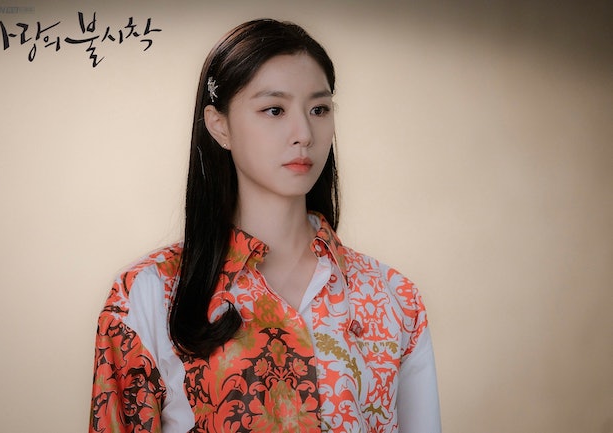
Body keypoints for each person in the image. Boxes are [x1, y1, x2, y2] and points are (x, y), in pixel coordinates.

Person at [89, 18, 441, 433]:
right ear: (219, 125)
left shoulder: (392, 297)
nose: (304, 133)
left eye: (319, 109)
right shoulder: (148, 294)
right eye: (274, 110)